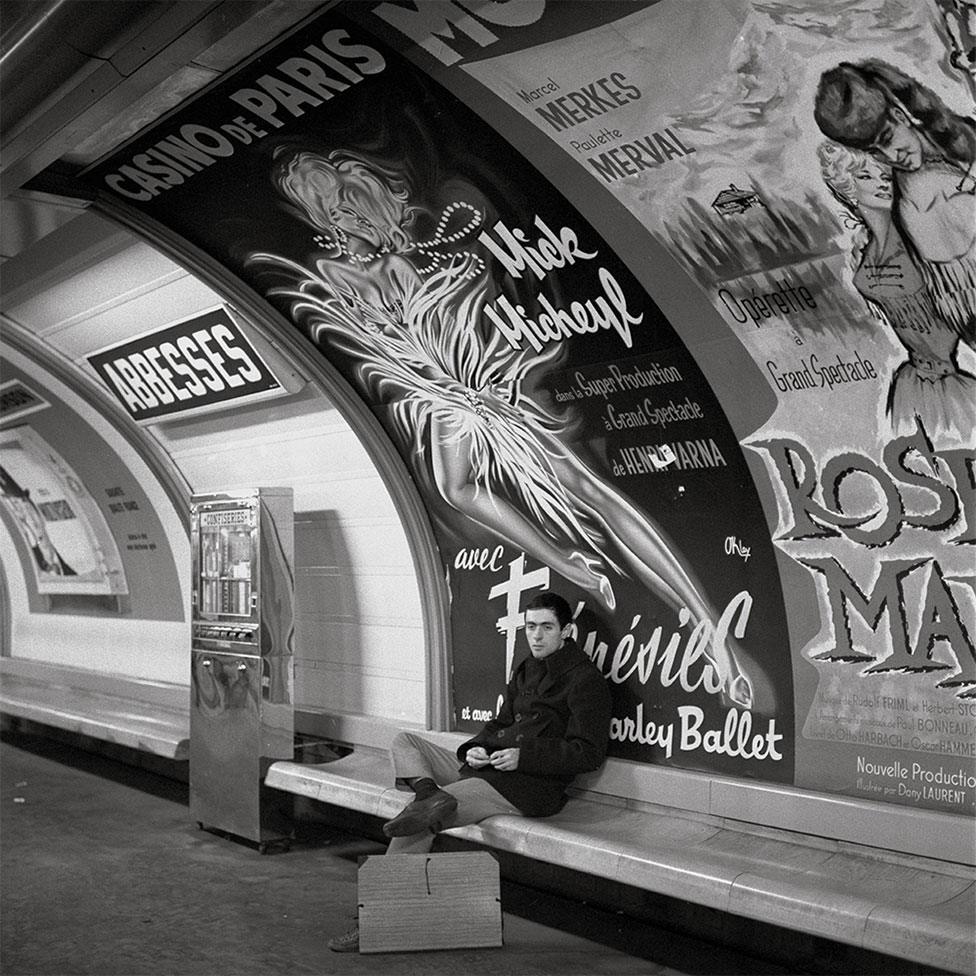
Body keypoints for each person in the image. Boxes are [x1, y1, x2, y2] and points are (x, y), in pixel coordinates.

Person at [251, 148, 755, 709]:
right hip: (446, 398)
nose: (346, 224)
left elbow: (433, 325)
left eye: (350, 210)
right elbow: (390, 337)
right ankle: (576, 566)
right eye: (334, 215)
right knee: (458, 487)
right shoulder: (357, 269)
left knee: (586, 492)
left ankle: (711, 629)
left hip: (474, 388)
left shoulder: (397, 264)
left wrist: (462, 378)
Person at [327, 590, 612, 952]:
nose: (536, 636)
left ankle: (378, 916)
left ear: (566, 631)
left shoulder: (584, 680)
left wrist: (524, 756)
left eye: (546, 627)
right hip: (490, 769)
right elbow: (501, 723)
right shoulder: (527, 667)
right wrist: (478, 749)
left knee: (417, 820)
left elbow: (587, 752)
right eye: (530, 627)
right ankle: (429, 792)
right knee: (405, 743)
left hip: (526, 787)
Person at [817, 140, 976, 439]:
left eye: (885, 175)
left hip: (948, 383)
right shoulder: (864, 249)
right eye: (866, 176)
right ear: (846, 185)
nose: (881, 184)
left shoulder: (923, 238)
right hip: (911, 381)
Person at [813, 59, 976, 341]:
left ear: (900, 113)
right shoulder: (922, 194)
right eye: (875, 151)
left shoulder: (956, 141)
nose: (891, 157)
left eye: (887, 138)